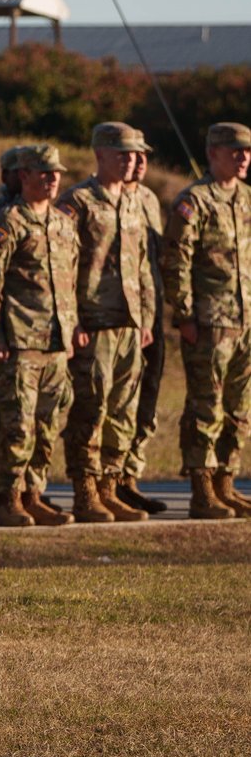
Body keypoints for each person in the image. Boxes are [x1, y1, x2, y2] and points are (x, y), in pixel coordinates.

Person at [58, 122, 162, 523]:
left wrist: (147, 318)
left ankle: (109, 486)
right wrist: (74, 320)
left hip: (130, 322)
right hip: (95, 320)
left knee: (123, 408)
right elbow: (62, 268)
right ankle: (85, 492)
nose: (132, 160)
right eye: (124, 153)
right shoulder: (78, 202)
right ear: (100, 154)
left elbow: (143, 268)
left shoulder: (136, 201)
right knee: (91, 407)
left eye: (137, 154)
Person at [0, 145, 80, 527]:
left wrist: (74, 327)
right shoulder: (7, 223)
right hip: (18, 342)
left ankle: (34, 494)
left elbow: (70, 282)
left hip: (55, 344)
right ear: (23, 176)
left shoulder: (63, 223)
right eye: (43, 172)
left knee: (47, 426)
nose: (51, 179)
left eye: (55, 173)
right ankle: (8, 497)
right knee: (17, 425)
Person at [162, 122, 251, 518]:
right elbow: (176, 261)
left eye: (247, 151)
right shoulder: (194, 201)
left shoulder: (247, 198)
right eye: (235, 151)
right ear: (213, 153)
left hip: (245, 320)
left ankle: (225, 482)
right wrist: (183, 315)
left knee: (240, 407)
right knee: (206, 406)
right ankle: (202, 490)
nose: (244, 157)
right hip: (210, 321)